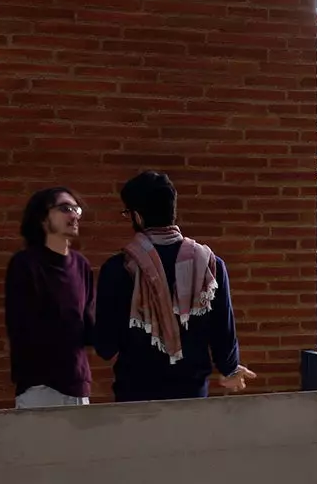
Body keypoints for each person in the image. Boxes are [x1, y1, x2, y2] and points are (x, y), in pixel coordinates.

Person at [94, 170, 255, 401]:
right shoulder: (211, 264)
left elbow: (106, 346)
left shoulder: (119, 268)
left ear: (137, 217)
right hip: (192, 395)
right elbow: (223, 331)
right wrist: (230, 369)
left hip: (134, 395)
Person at [4, 187, 97, 409]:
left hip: (78, 385)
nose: (74, 215)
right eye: (65, 208)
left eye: (77, 209)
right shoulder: (25, 264)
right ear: (43, 218)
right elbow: (21, 328)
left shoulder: (82, 265)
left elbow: (88, 326)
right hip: (40, 387)